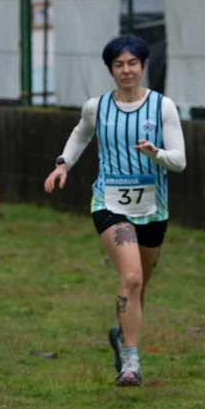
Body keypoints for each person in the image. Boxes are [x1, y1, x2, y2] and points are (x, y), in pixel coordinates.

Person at [44, 35, 186, 386]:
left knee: (140, 284)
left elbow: (179, 161)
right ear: (110, 69)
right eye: (119, 65)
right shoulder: (97, 107)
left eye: (132, 64)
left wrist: (156, 154)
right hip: (109, 205)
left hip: (153, 209)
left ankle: (122, 335)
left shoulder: (162, 107)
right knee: (132, 277)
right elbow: (80, 134)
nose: (126, 70)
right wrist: (63, 163)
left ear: (143, 66)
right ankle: (130, 361)